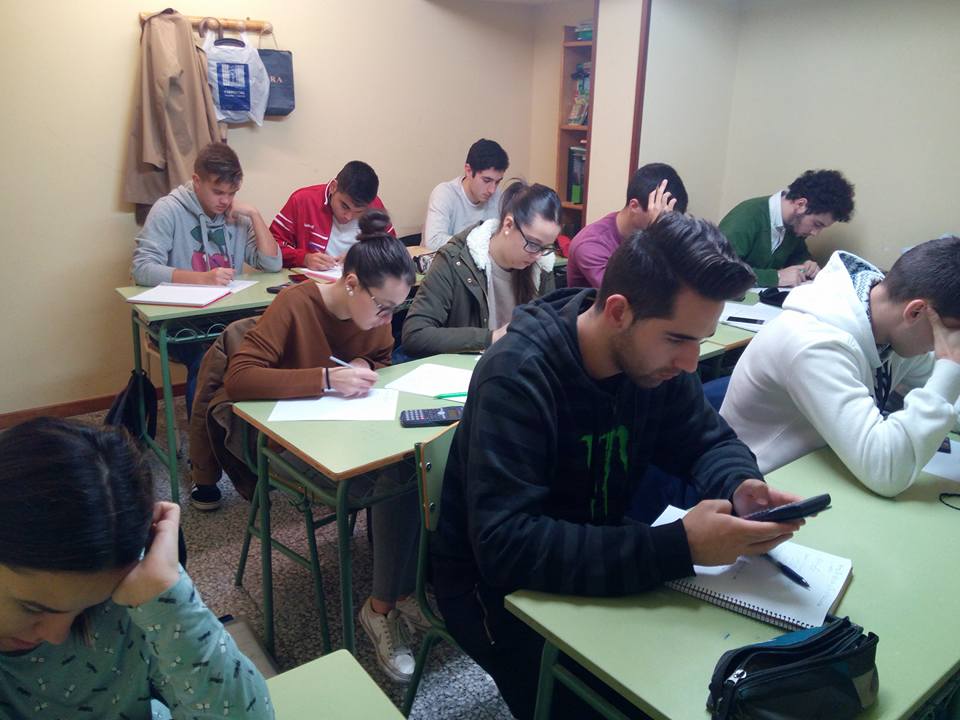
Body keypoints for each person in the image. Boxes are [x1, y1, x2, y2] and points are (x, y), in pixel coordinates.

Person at [431, 213, 803, 719]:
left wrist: (740, 483)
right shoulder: (518, 373)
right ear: (619, 311)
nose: (692, 362)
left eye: (701, 338)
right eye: (677, 339)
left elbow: (706, 438)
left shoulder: (657, 366)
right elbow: (506, 548)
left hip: (592, 545)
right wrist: (679, 546)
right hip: (495, 590)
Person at [198, 211, 427, 682]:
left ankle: (401, 593)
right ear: (350, 284)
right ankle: (382, 607)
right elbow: (239, 378)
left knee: (417, 461)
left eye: (395, 311)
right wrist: (326, 378)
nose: (387, 319)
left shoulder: (376, 313)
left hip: (345, 429)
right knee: (399, 475)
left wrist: (364, 362)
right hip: (289, 443)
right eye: (382, 308)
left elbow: (381, 354)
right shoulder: (297, 305)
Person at [0, 417, 272, 719]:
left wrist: (171, 602)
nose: (56, 635)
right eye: (31, 608)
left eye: (86, 608)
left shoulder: (126, 586)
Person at [721, 237, 960, 497]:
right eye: (948, 337)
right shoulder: (815, 343)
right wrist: (950, 366)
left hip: (825, 475)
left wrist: (948, 376)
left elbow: (948, 396)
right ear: (916, 312)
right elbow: (887, 471)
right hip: (756, 490)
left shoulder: (894, 329)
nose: (942, 348)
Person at [131, 142, 282, 416]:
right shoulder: (168, 210)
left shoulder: (236, 216)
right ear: (197, 181)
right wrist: (201, 278)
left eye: (232, 193)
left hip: (229, 315)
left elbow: (272, 265)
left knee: (272, 350)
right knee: (208, 361)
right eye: (218, 192)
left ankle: (254, 439)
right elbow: (142, 269)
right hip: (181, 320)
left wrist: (255, 215)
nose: (225, 200)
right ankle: (204, 451)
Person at [401, 181, 560, 357]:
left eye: (546, 247)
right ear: (508, 225)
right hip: (466, 372)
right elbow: (415, 335)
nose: (538, 255)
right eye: (532, 244)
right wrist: (490, 338)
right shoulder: (456, 259)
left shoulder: (541, 266)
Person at [719, 169, 855, 288]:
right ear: (801, 204)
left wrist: (807, 266)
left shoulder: (793, 226)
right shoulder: (746, 217)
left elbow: (798, 255)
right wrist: (776, 277)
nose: (815, 233)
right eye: (817, 224)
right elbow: (719, 271)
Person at [566, 162, 688, 288]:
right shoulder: (591, 244)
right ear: (634, 206)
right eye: (659, 215)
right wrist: (658, 235)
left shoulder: (646, 236)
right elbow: (631, 297)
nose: (665, 224)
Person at [270, 161, 393, 270]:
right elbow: (271, 248)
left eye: (359, 212)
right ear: (333, 187)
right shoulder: (303, 200)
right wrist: (304, 259)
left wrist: (361, 256)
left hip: (359, 288)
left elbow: (391, 250)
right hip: (313, 286)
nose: (348, 217)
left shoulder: (374, 206)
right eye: (345, 206)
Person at [421, 138, 509, 251]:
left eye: (497, 182)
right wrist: (479, 244)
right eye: (486, 180)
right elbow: (433, 242)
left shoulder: (497, 196)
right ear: (468, 170)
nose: (492, 190)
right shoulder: (444, 194)